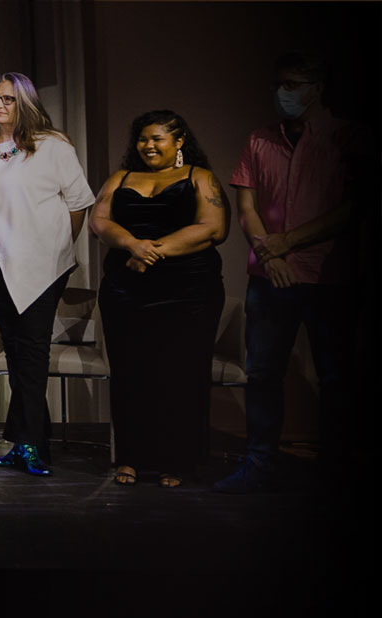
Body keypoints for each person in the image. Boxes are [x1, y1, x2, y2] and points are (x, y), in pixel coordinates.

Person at [215, 53, 371, 494]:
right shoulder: (259, 140)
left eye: (293, 83)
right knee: (262, 372)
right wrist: (270, 254)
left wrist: (290, 241)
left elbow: (353, 209)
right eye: (279, 83)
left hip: (330, 278)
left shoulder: (349, 138)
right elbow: (246, 207)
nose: (282, 93)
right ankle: (259, 465)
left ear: (317, 87)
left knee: (336, 376)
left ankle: (337, 470)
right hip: (270, 278)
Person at [0, 72, 95, 477]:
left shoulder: (53, 146)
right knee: (18, 358)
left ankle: (29, 444)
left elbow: (78, 203)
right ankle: (30, 442)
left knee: (33, 354)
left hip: (42, 266)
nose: (0, 105)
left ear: (26, 103)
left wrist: (58, 245)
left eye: (9, 99)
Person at [90, 110, 227, 489]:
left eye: (158, 139)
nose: (148, 146)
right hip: (126, 290)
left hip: (188, 292)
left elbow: (214, 228)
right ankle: (131, 457)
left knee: (180, 375)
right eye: (143, 139)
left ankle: (178, 461)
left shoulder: (199, 178)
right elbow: (99, 220)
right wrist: (133, 244)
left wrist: (154, 250)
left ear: (179, 141)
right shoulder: (122, 178)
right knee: (131, 374)